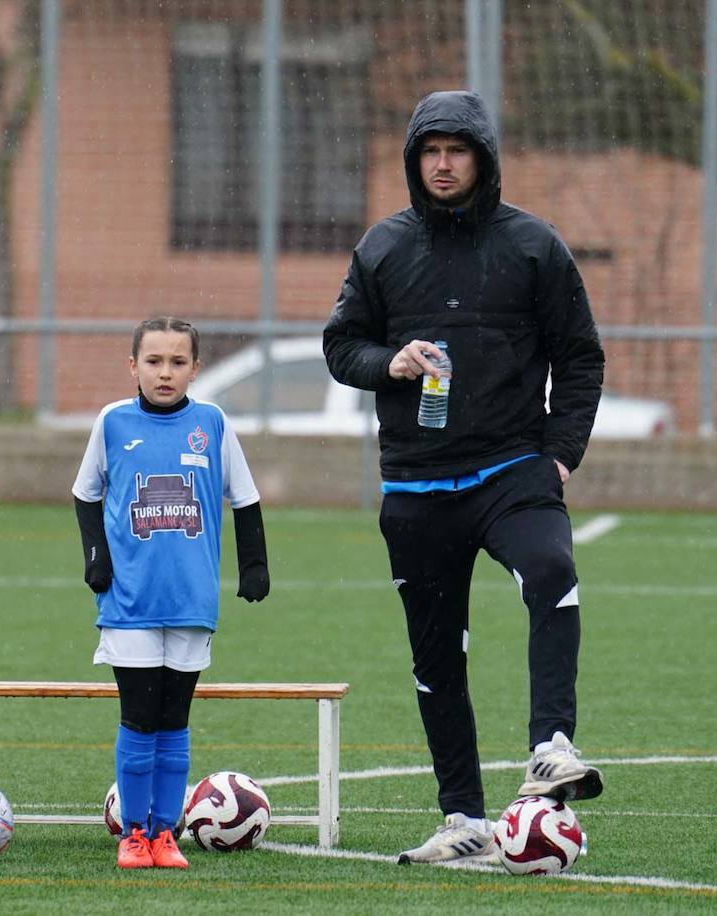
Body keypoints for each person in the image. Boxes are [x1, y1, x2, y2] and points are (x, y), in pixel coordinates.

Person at [323, 89, 606, 865]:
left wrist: (559, 452)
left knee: (551, 568)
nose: (443, 164)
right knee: (436, 656)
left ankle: (550, 745)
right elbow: (341, 346)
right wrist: (392, 361)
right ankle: (463, 820)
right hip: (416, 484)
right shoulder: (382, 248)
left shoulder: (533, 247)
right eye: (430, 152)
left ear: (484, 158)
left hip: (513, 469)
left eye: (458, 150)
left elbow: (581, 355)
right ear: (416, 162)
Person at [72, 317, 270, 870]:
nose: (165, 372)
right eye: (154, 361)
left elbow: (245, 498)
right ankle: (133, 834)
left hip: (191, 600)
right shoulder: (113, 422)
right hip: (129, 601)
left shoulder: (212, 422)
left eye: (177, 362)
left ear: (195, 369)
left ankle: (165, 835)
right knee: (139, 716)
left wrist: (253, 565)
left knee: (175, 719)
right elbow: (85, 494)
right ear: (133, 366)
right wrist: (97, 558)